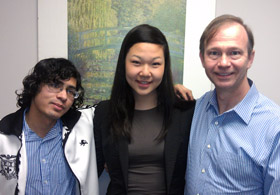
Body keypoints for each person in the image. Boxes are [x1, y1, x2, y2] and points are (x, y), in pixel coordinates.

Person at [94, 24, 195, 194]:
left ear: (165, 66)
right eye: (136, 62)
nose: (145, 72)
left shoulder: (184, 111)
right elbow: (88, 168)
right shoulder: (104, 113)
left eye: (155, 64)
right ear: (123, 63)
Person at [184, 14, 280, 194]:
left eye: (234, 53)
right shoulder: (195, 110)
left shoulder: (274, 127)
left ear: (250, 58)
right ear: (202, 58)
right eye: (214, 53)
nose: (223, 63)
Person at [0, 58, 99, 195]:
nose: (63, 96)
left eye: (70, 91)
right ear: (35, 86)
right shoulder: (4, 136)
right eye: (54, 85)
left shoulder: (82, 125)